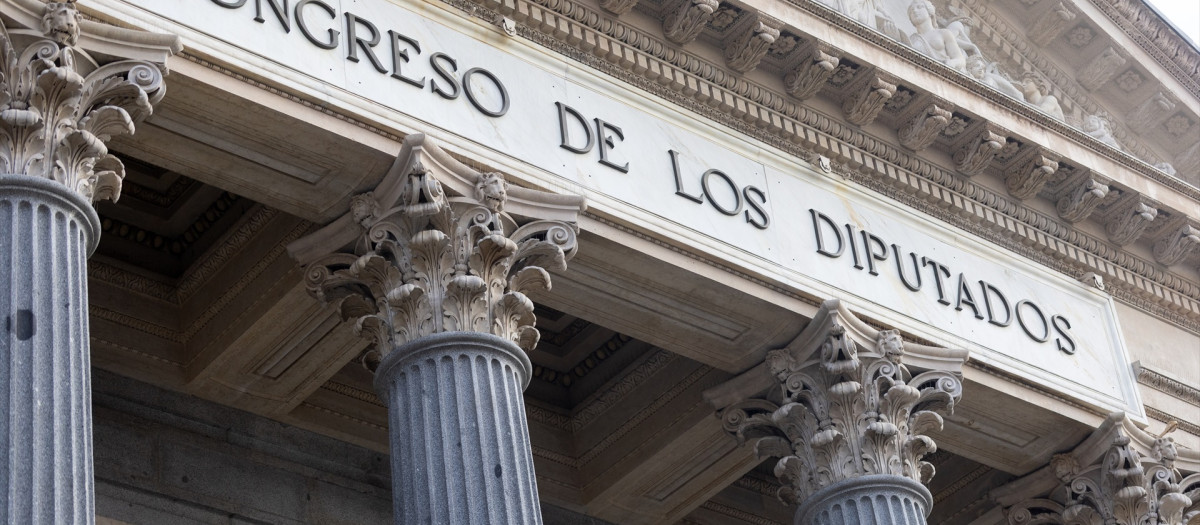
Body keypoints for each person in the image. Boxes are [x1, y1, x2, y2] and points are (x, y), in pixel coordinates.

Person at [907, 0, 968, 71]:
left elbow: (960, 59)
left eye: (919, 7)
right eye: (911, 10)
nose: (915, 11)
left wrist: (951, 63)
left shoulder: (943, 33)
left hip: (942, 73)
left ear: (930, 12)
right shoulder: (911, 40)